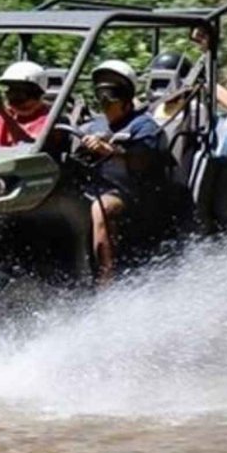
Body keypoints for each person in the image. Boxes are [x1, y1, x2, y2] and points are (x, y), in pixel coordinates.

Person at [76, 59, 168, 284]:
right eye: (100, 94)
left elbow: (142, 161)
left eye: (111, 94)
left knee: (102, 209)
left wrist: (109, 150)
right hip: (93, 187)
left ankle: (107, 283)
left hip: (132, 193)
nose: (104, 101)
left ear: (126, 98)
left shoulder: (143, 126)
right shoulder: (93, 125)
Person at [0, 61, 52, 146]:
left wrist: (3, 112)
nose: (12, 95)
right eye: (10, 89)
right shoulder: (7, 115)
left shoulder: (48, 119)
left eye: (18, 91)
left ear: (35, 92)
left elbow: (29, 147)